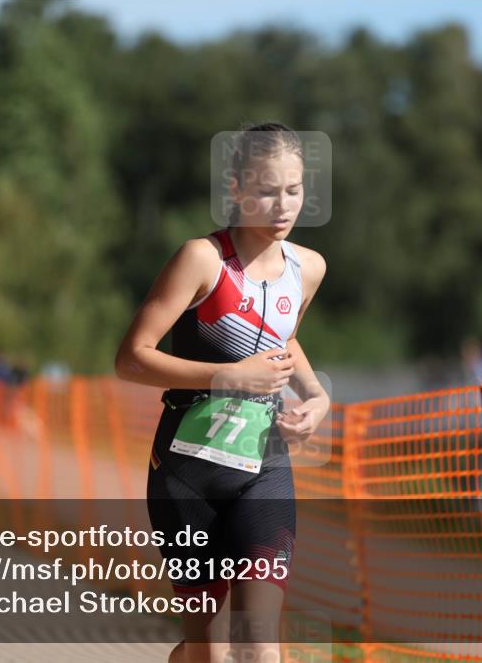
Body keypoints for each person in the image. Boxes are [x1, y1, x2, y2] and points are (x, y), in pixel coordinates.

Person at [115, 123, 329, 663]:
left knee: (259, 644)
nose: (283, 206)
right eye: (265, 190)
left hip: (265, 467)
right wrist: (224, 377)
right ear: (234, 188)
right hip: (187, 475)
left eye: (294, 190)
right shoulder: (201, 260)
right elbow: (131, 358)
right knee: (208, 650)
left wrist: (317, 397)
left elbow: (285, 339)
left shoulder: (309, 269)